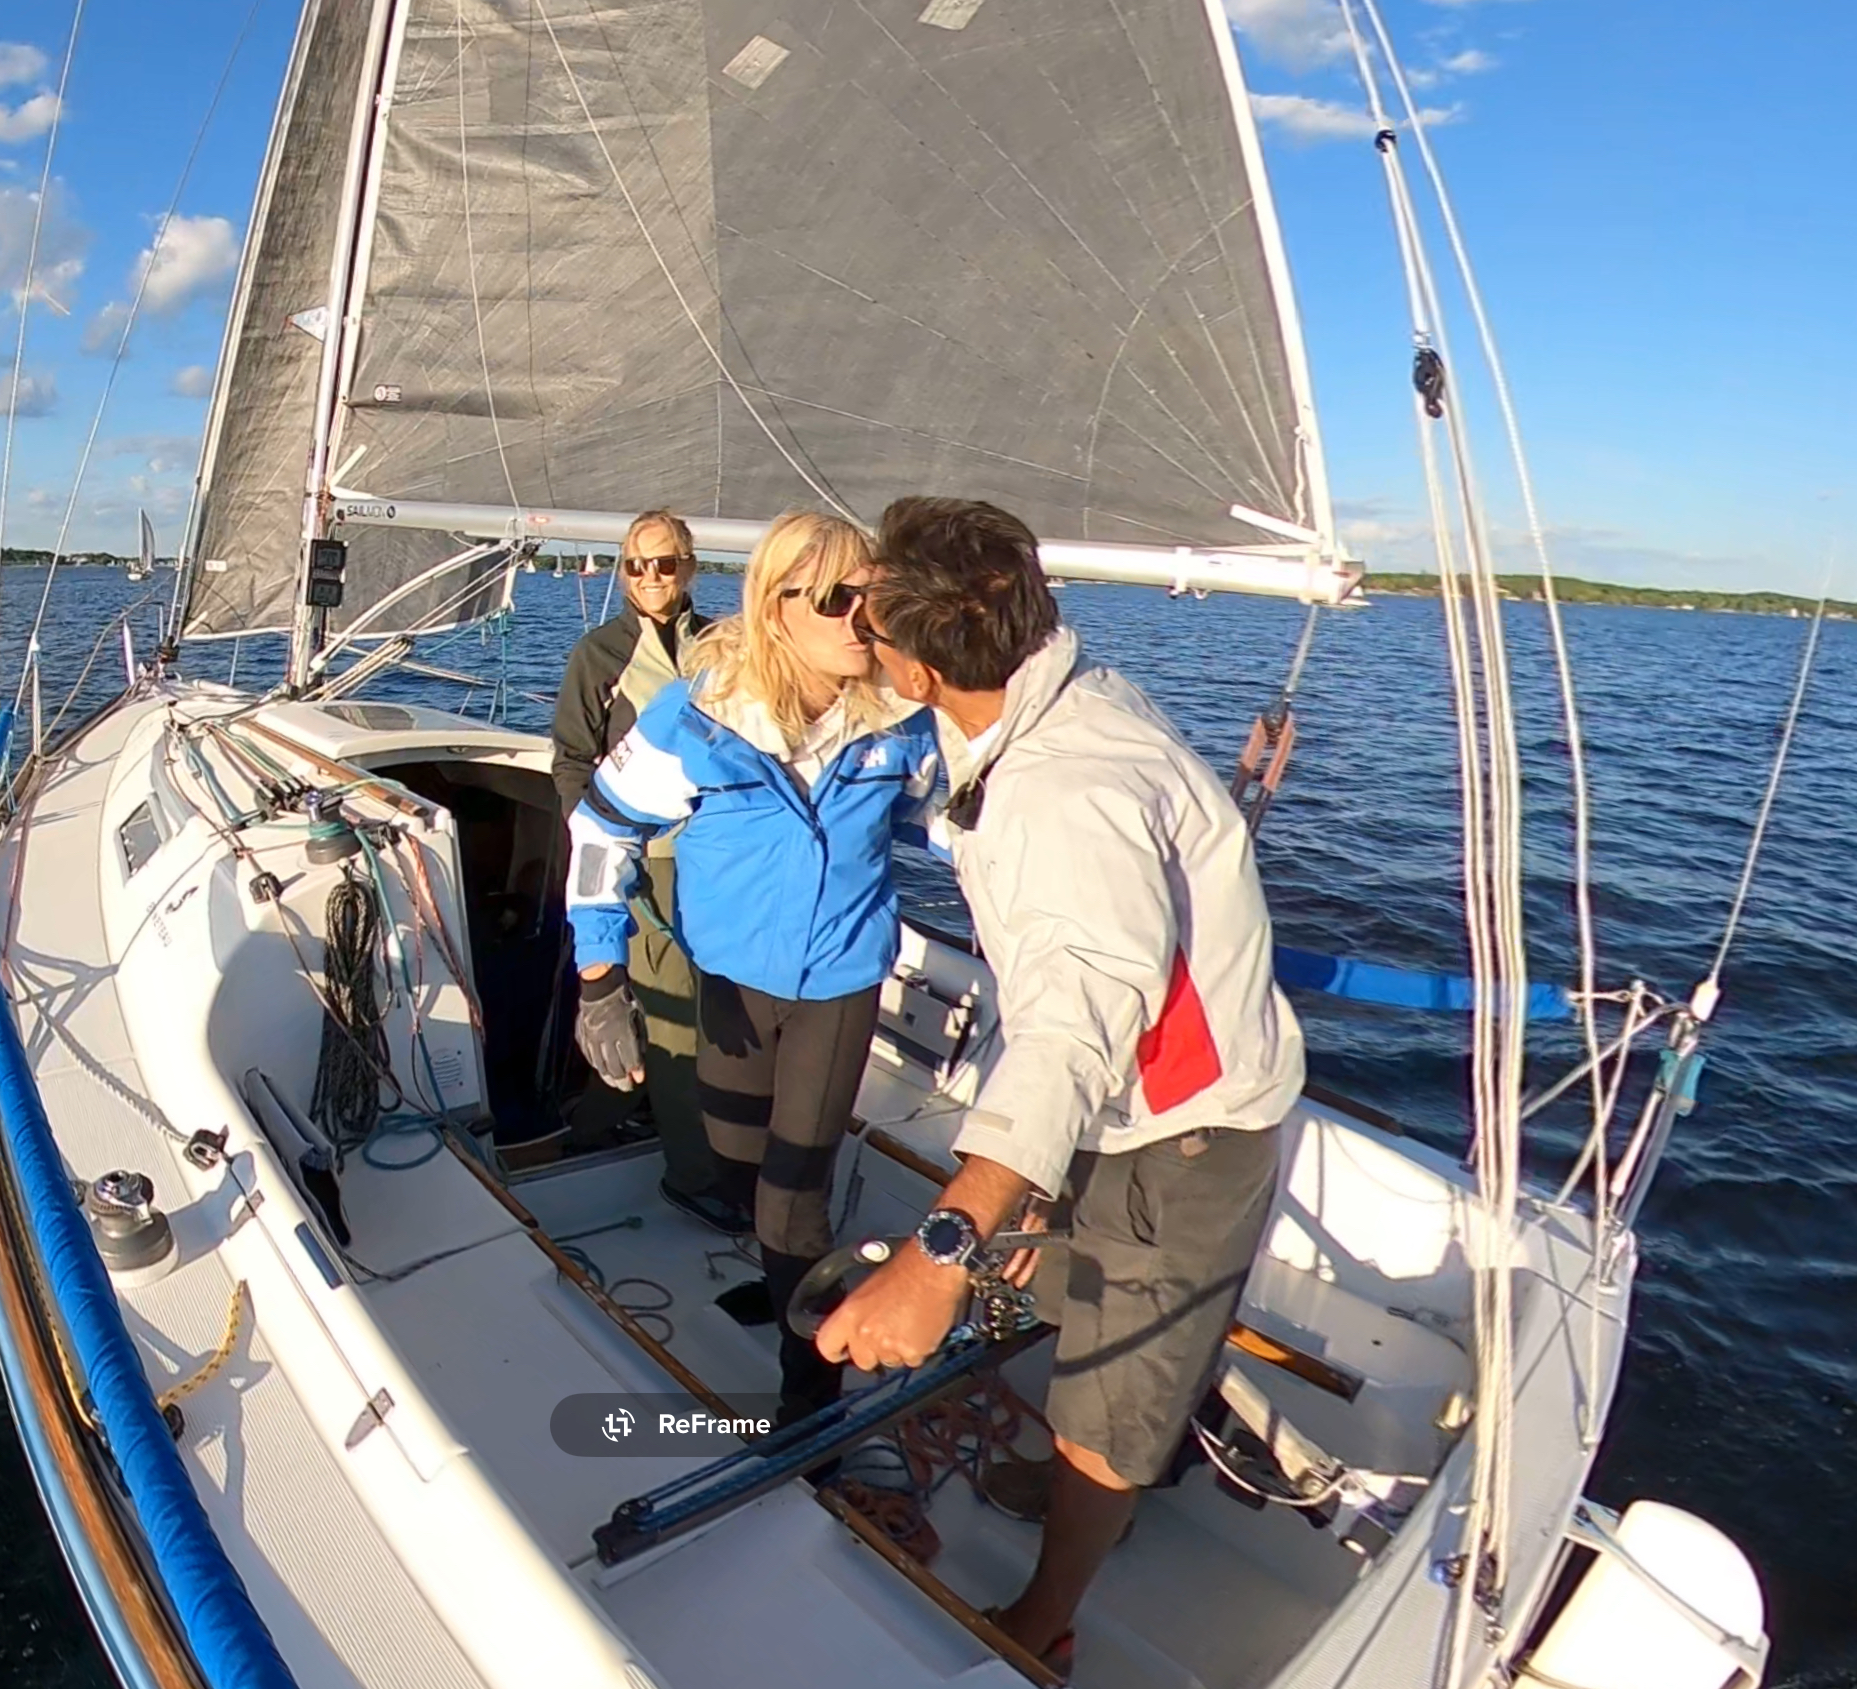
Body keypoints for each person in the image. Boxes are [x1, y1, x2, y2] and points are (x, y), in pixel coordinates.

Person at [814, 496, 1304, 1677]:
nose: (856, 633)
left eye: (870, 621)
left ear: (921, 667)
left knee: (1108, 1398)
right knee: (1077, 1314)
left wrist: (938, 1251)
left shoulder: (1056, 791)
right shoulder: (1062, 694)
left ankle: (1045, 1614)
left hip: (1179, 1131)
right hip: (1126, 1106)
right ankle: (1077, 1485)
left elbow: (1077, 1019)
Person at [565, 510, 942, 1425]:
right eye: (838, 599)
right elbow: (603, 829)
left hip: (839, 982)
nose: (864, 619)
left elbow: (963, 831)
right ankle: (784, 1283)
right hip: (731, 983)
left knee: (792, 1199)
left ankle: (812, 1403)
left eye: (877, 598)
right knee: (736, 1170)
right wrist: (601, 981)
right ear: (777, 607)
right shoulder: (697, 716)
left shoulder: (905, 720)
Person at [548, 511, 735, 1233]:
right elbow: (572, 760)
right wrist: (596, 847)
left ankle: (604, 1114)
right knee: (673, 1020)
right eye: (636, 564)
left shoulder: (724, 648)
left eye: (665, 563)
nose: (650, 576)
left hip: (720, 859)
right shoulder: (599, 654)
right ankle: (694, 1176)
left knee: (717, 1007)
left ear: (690, 567)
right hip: (647, 861)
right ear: (621, 571)